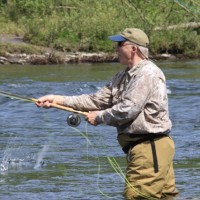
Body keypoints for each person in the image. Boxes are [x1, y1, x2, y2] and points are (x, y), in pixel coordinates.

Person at [36, 28, 179, 199]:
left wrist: (99, 117)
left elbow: (128, 109)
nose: (116, 49)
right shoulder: (122, 76)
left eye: (120, 44)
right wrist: (56, 99)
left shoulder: (147, 73)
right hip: (146, 149)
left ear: (134, 49)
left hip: (150, 148)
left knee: (137, 196)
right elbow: (95, 101)